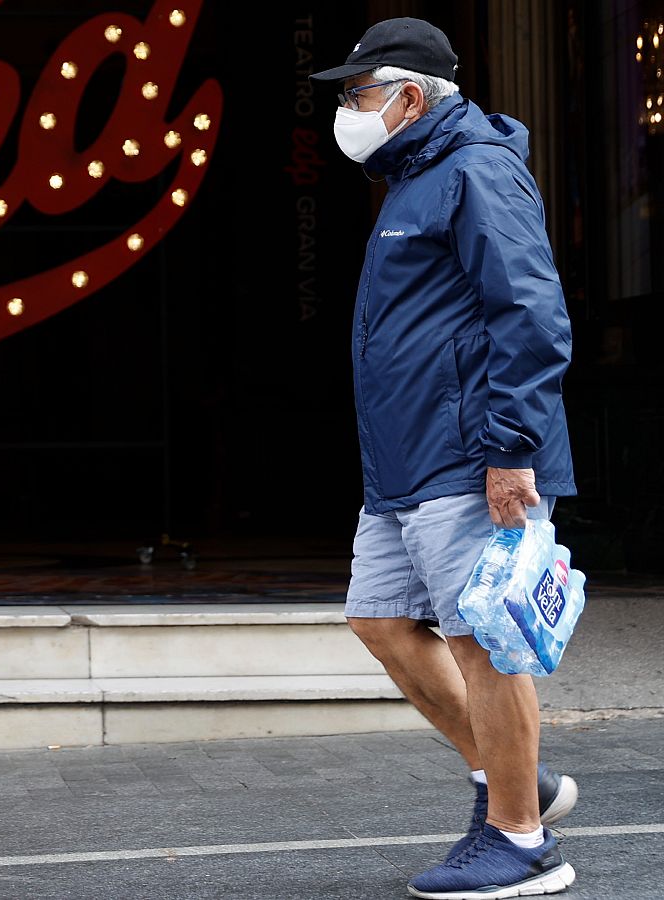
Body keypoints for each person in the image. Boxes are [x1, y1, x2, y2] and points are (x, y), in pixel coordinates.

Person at [310, 18, 580, 900]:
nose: (348, 110)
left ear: (410, 96)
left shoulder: (474, 169)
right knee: (380, 621)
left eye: (356, 94)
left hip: (469, 456)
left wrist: (511, 451)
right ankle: (519, 778)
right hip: (402, 463)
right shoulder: (416, 176)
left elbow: (530, 314)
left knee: (483, 646)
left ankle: (523, 840)